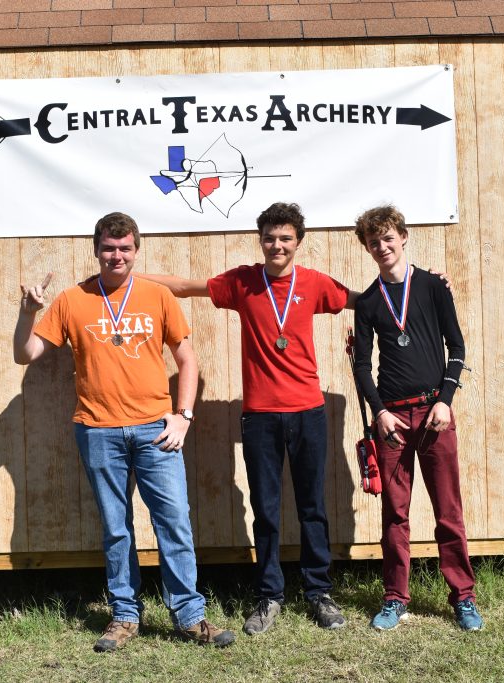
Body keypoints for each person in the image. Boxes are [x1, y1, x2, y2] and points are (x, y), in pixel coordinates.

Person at [13, 212, 235, 652]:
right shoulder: (73, 300)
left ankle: (190, 617)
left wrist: (183, 415)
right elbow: (26, 354)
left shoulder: (157, 295)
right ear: (96, 250)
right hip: (98, 431)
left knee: (173, 522)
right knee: (116, 528)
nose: (117, 255)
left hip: (156, 429)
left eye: (125, 248)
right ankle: (124, 616)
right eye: (109, 248)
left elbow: (187, 360)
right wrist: (27, 313)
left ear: (136, 250)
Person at [139, 202, 350, 635]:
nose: (278, 245)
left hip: (308, 412)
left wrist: (423, 287)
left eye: (286, 238)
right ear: (261, 240)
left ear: (298, 242)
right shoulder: (242, 282)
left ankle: (318, 593)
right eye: (270, 237)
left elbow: (366, 302)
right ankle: (269, 595)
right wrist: (127, 277)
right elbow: (183, 286)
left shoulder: (314, 284)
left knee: (312, 507)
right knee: (266, 510)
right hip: (260, 418)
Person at [351, 204, 483, 632]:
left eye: (388, 238)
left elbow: (457, 349)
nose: (383, 246)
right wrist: (381, 412)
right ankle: (394, 598)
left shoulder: (431, 287)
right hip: (392, 422)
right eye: (374, 242)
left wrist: (445, 400)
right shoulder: (369, 302)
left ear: (403, 237)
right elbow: (360, 368)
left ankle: (463, 597)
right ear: (368, 249)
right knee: (395, 513)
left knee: (449, 510)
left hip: (434, 414)